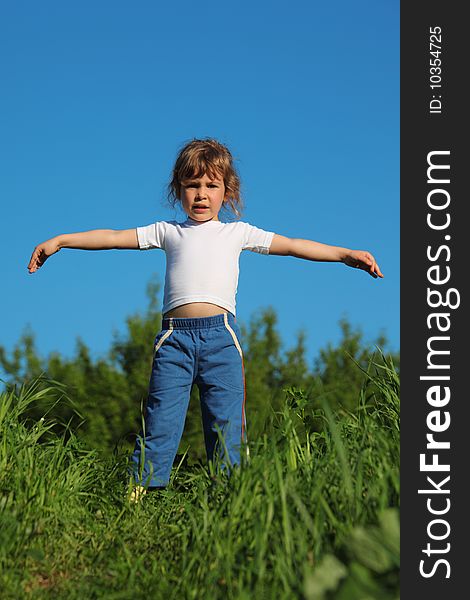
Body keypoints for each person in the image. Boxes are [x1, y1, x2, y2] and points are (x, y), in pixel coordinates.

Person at [27, 138, 383, 501]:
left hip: (221, 340)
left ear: (227, 191)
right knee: (161, 419)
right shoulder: (168, 231)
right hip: (174, 341)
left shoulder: (237, 233)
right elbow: (114, 237)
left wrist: (344, 254)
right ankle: (136, 501)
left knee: (226, 425)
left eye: (211, 186)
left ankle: (229, 502)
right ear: (178, 189)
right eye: (192, 185)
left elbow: (292, 245)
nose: (201, 194)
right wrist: (61, 241)